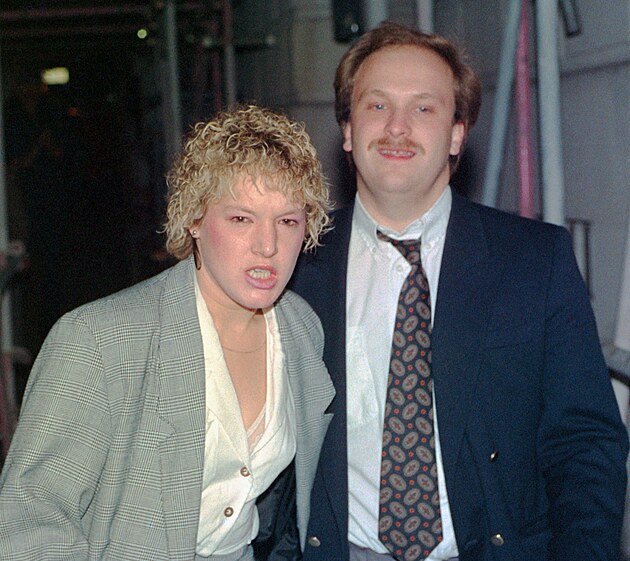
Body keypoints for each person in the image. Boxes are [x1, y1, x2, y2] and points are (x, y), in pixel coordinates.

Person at [290, 21, 628, 561]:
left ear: (456, 134)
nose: (397, 127)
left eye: (424, 108)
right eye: (376, 105)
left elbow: (584, 443)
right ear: (348, 129)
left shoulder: (534, 262)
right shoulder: (294, 266)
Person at [0, 104, 334, 561]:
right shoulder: (99, 341)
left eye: (288, 221)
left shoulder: (300, 329)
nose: (268, 245)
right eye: (241, 218)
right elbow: (25, 525)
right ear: (194, 220)